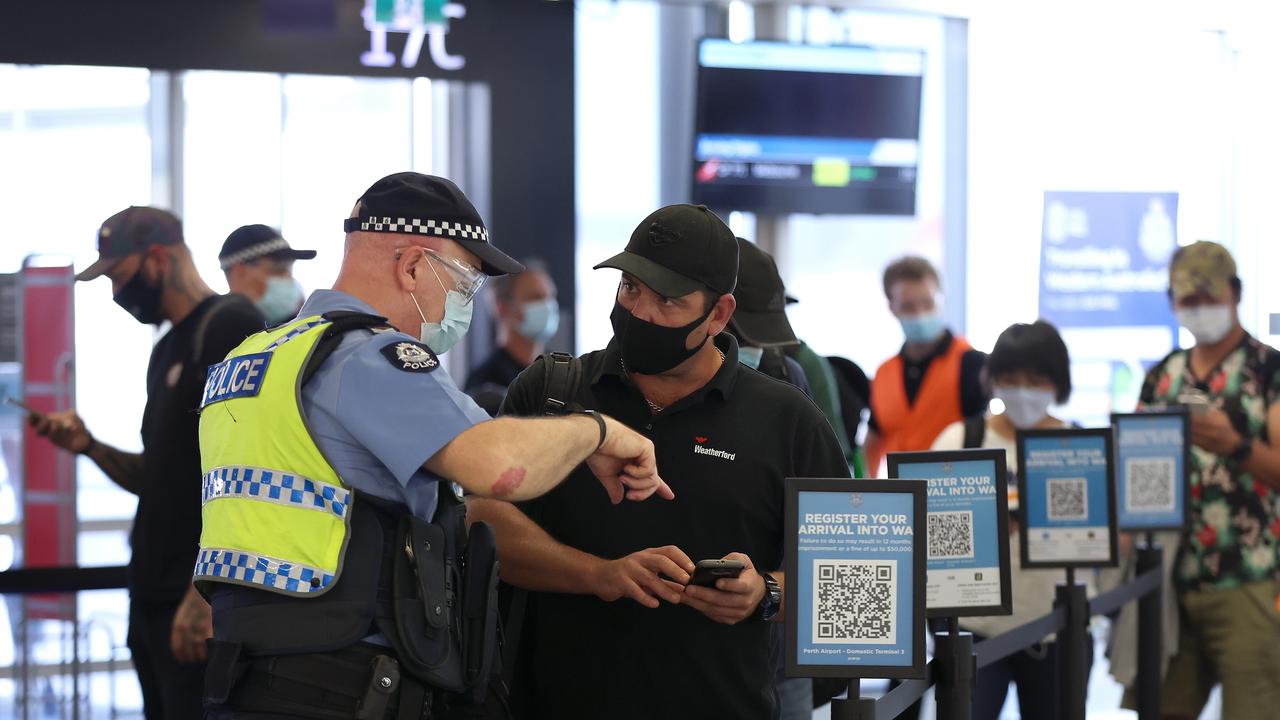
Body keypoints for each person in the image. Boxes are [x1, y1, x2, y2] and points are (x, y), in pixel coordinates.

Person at [192, 172, 672, 718]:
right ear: (413, 266)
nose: (466, 302)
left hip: (245, 676)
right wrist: (598, 431)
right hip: (342, 682)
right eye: (466, 281)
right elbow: (499, 469)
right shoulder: (369, 357)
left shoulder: (256, 358)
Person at [468, 204, 850, 719]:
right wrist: (600, 575)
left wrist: (766, 592)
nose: (640, 311)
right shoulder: (551, 392)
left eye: (667, 299)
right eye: (630, 288)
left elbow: (853, 581)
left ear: (719, 314)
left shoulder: (788, 421)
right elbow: (482, 523)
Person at [29, 207, 265, 719]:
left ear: (158, 259)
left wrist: (204, 594)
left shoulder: (233, 326)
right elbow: (160, 479)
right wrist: (88, 445)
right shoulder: (166, 351)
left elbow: (247, 475)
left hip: (195, 604)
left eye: (119, 275)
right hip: (151, 599)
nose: (117, 294)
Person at [1137, 241, 1280, 720]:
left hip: (1250, 578)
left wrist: (1235, 445)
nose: (1199, 310)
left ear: (1235, 293)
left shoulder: (1268, 369)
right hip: (1170, 578)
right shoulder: (1163, 377)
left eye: (1209, 297)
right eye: (1188, 301)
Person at [931, 320, 1091, 720]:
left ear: (1057, 381)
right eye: (1011, 377)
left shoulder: (1082, 448)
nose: (1023, 389)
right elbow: (927, 530)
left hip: (1056, 627)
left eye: (1036, 379)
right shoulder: (960, 440)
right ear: (994, 379)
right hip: (972, 630)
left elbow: (1109, 538)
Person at [865, 256, 987, 474]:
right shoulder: (884, 373)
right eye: (908, 306)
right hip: (899, 498)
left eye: (928, 303)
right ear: (892, 307)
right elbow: (873, 441)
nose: (920, 314)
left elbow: (988, 438)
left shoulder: (971, 363)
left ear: (941, 299)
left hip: (955, 494)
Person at [464, 259, 560, 415]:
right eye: (536, 297)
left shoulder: (562, 369)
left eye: (550, 296)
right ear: (502, 308)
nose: (547, 305)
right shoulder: (486, 382)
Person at [219, 224, 316, 326]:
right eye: (278, 271)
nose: (289, 280)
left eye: (289, 272)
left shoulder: (290, 326)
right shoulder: (222, 328)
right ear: (239, 272)